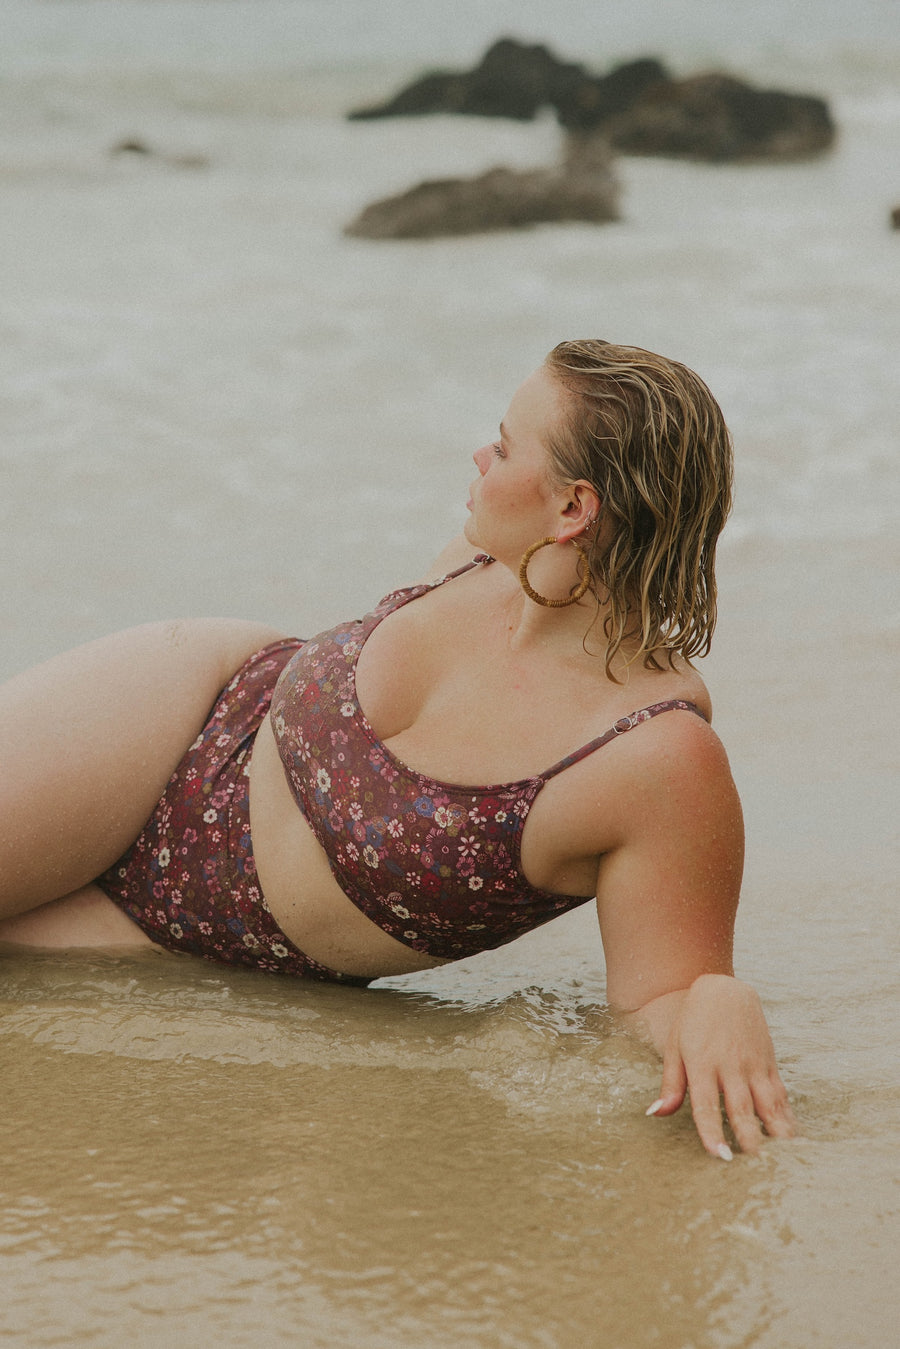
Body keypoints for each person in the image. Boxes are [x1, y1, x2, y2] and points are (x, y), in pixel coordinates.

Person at [0, 339, 795, 1159]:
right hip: (179, 713)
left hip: (196, 932)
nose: (480, 455)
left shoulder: (655, 757)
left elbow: (654, 1001)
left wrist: (717, 996)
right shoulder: (486, 562)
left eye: (507, 445)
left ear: (573, 509)